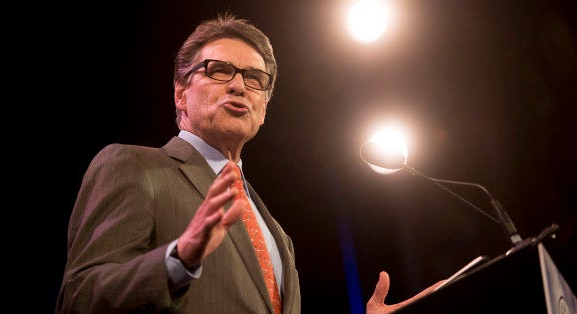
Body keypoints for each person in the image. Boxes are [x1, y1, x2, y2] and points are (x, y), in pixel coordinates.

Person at [56, 13, 443, 314]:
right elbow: (80, 298)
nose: (239, 86)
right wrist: (179, 259)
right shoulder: (133, 166)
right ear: (180, 93)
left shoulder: (277, 234)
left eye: (254, 78)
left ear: (264, 109)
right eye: (219, 70)